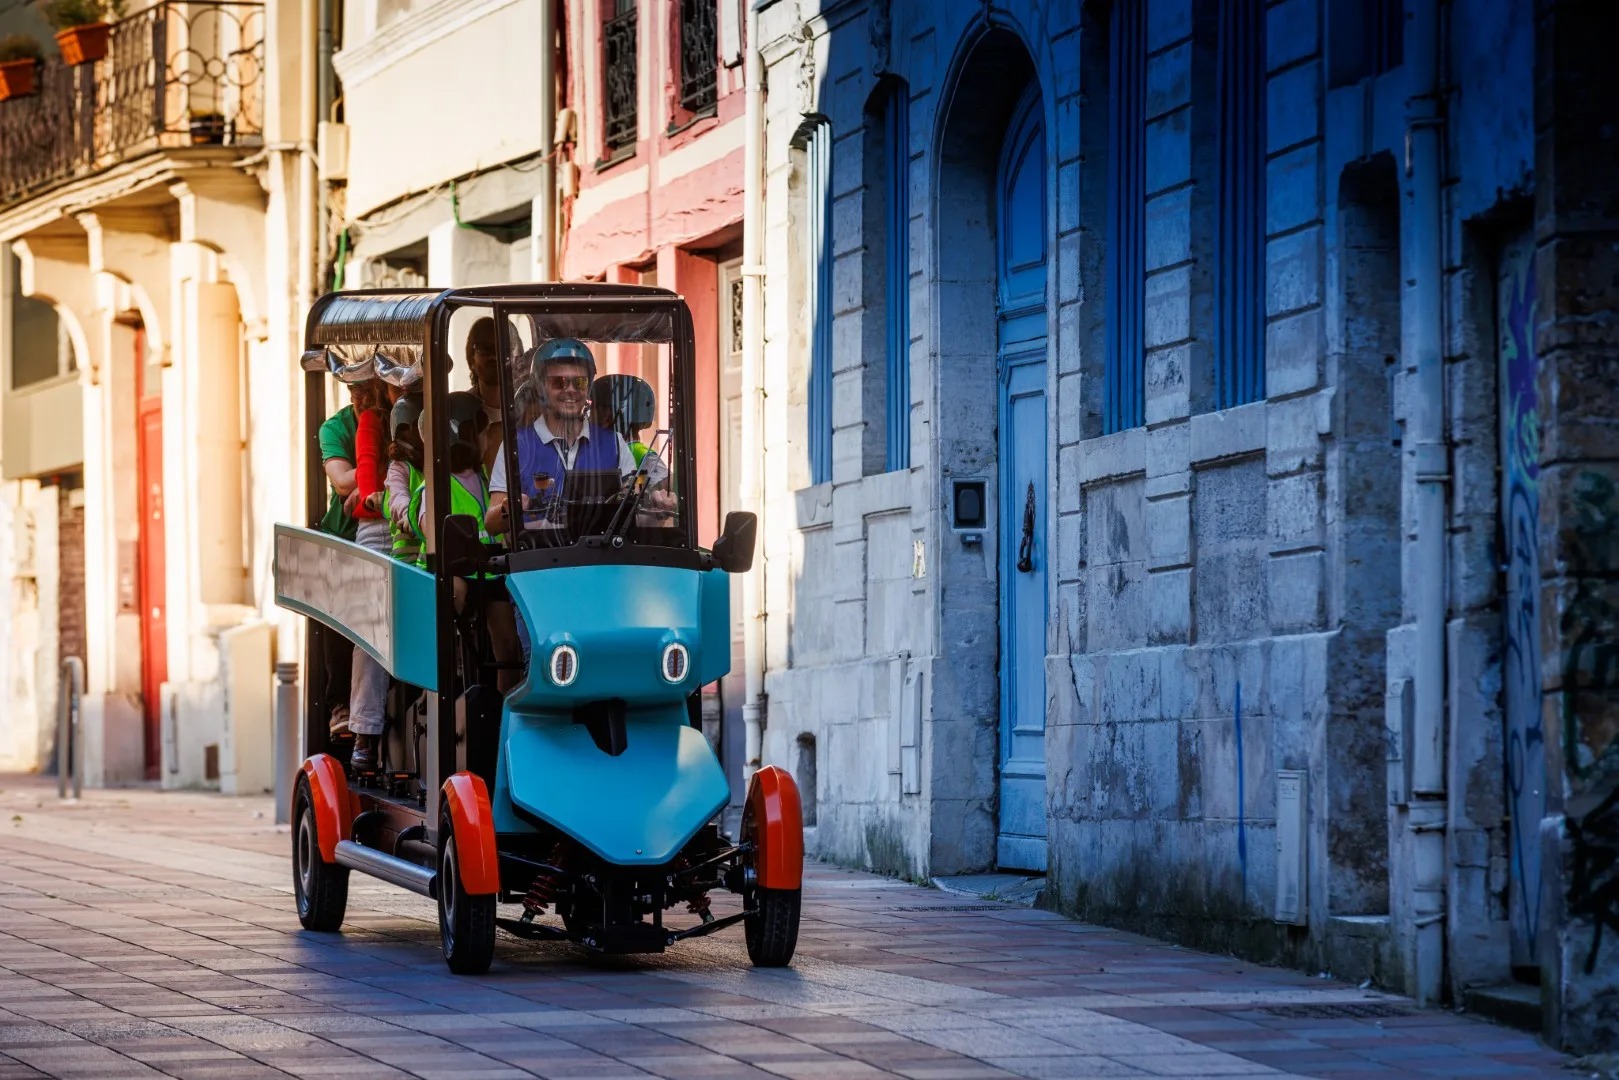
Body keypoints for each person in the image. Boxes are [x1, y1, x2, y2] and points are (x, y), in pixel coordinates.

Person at [484, 338, 653, 537]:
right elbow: (491, 525)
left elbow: (636, 518)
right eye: (559, 382)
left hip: (601, 562)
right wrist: (509, 508)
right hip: (537, 564)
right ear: (540, 388)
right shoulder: (516, 445)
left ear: (588, 387)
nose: (570, 389)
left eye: (579, 382)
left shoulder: (615, 443)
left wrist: (657, 510)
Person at [317, 379, 383, 741]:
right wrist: (377, 474)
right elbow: (341, 480)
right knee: (339, 609)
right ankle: (339, 704)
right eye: (354, 387)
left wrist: (375, 483)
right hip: (343, 536)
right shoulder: (336, 427)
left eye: (368, 385)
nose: (361, 395)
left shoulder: (393, 416)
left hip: (385, 529)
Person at [347, 380, 393, 771]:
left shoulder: (435, 415)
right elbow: (365, 469)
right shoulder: (373, 420)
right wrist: (370, 495)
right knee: (372, 627)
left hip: (421, 525)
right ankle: (365, 730)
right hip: (380, 527)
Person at [465, 317, 505, 472]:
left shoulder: (527, 409)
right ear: (471, 358)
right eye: (484, 349)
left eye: (500, 349)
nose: (493, 357)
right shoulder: (459, 412)